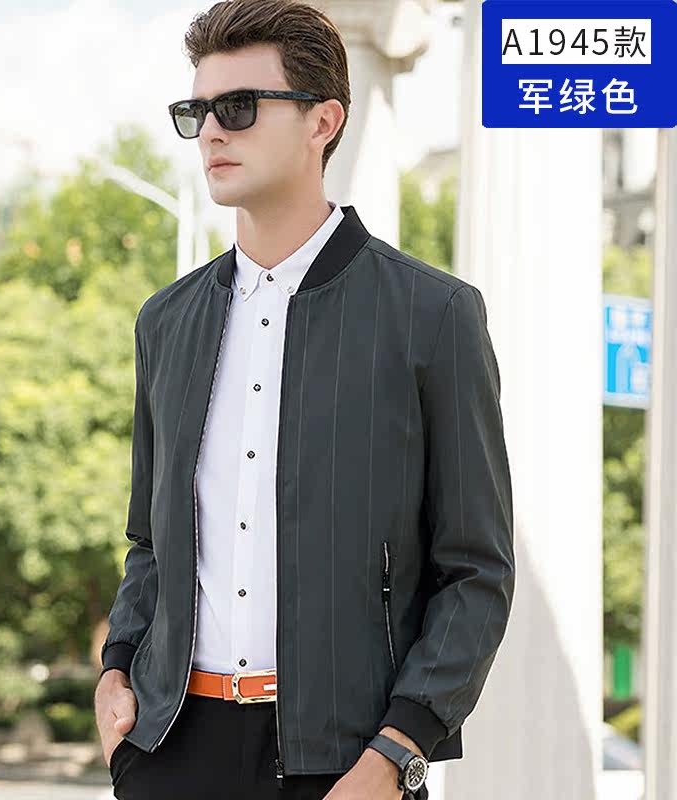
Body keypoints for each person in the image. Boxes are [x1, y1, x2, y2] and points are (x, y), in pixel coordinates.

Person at [93, 1, 515, 798]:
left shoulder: (432, 316)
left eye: (238, 107)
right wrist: (118, 674)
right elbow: (149, 540)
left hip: (347, 764)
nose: (211, 132)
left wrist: (397, 754)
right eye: (197, 112)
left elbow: (476, 570)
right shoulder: (166, 322)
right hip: (171, 754)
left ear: (324, 120)